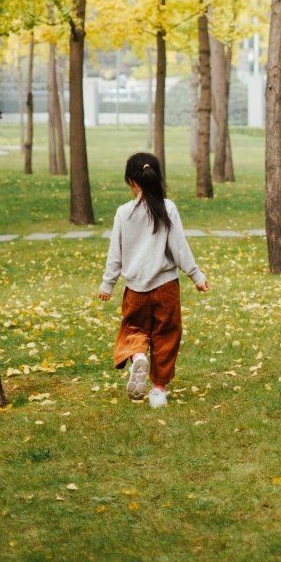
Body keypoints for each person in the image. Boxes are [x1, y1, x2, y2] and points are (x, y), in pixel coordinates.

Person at [99, 151, 208, 408]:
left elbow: (116, 252)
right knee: (166, 335)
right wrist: (196, 276)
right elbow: (179, 248)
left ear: (131, 182)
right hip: (166, 287)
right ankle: (158, 390)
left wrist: (107, 284)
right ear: (156, 178)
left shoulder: (123, 213)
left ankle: (138, 356)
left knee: (134, 329)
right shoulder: (167, 207)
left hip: (135, 288)